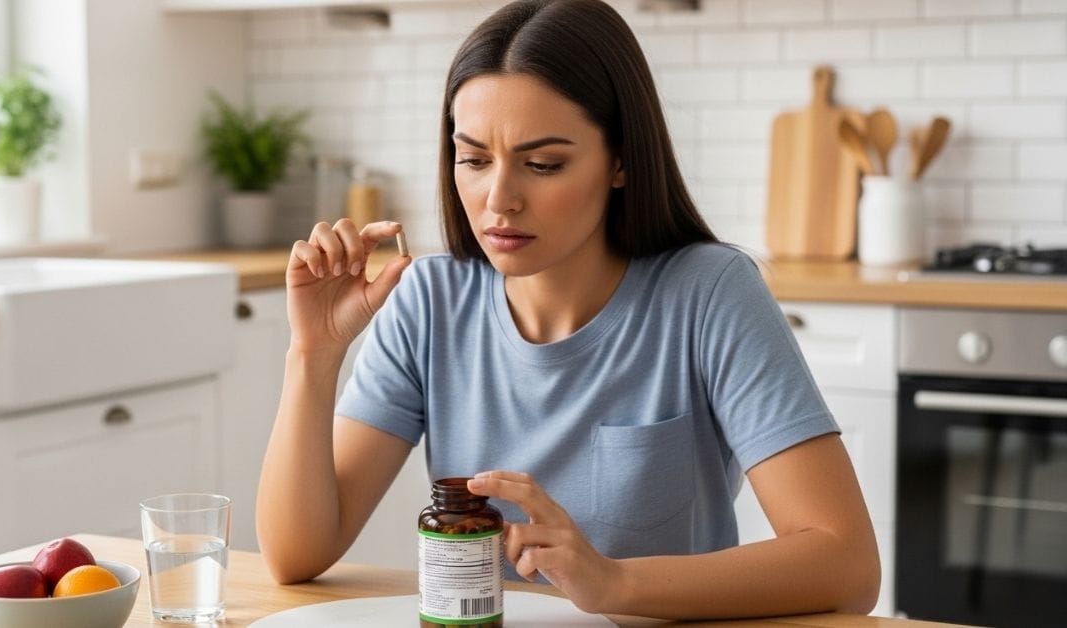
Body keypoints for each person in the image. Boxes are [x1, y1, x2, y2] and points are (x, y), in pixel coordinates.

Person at [257, 0, 879, 619]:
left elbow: (845, 563)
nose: (499, 200)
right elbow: (295, 555)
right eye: (473, 159)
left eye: (543, 164)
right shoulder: (429, 300)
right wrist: (313, 353)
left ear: (620, 161)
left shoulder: (709, 293)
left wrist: (612, 583)